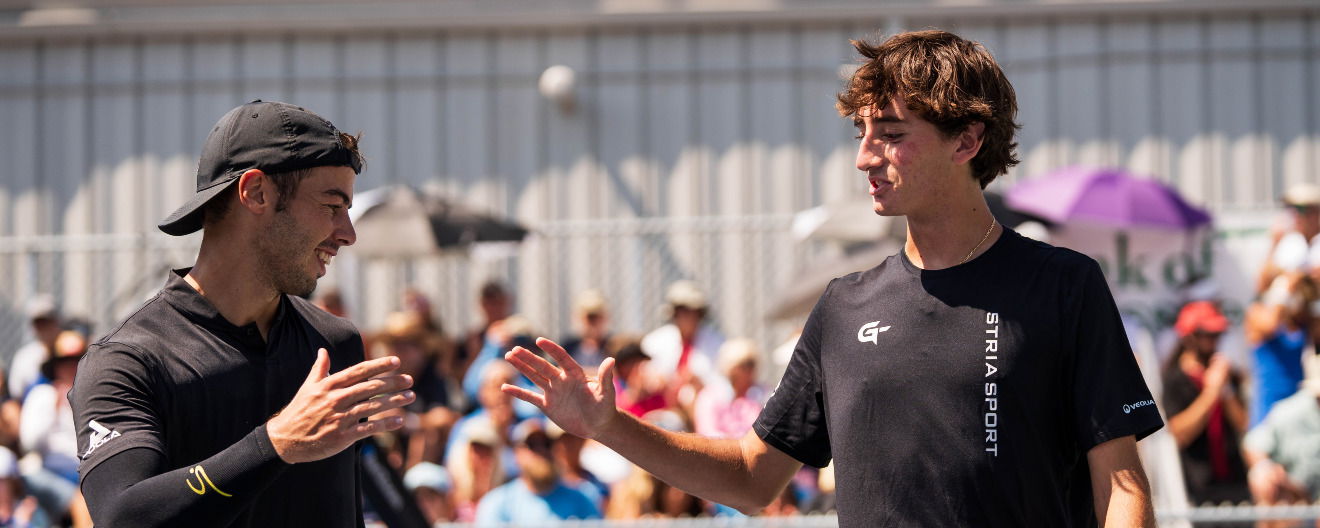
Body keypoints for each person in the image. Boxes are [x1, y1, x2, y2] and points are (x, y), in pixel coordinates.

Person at [500, 30, 1162, 526]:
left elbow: (1123, 486)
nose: (866, 156)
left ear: (966, 141)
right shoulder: (846, 306)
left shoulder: (1063, 286)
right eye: (861, 132)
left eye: (892, 133)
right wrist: (610, 428)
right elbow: (755, 477)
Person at [68, 100, 416, 527]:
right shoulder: (128, 360)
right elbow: (123, 515)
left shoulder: (335, 342)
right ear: (255, 192)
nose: (347, 234)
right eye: (331, 206)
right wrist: (276, 443)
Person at [1161, 301, 1251, 505]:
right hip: (1200, 487)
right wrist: (1211, 392)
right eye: (1208, 335)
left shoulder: (1227, 373)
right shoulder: (1175, 379)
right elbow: (1180, 433)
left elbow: (1242, 423)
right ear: (1190, 336)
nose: (1215, 341)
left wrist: (1225, 390)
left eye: (1218, 334)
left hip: (1236, 483)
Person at [473, 419, 600, 525]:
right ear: (517, 454)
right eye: (532, 444)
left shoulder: (582, 499)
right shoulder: (497, 503)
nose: (541, 451)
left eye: (547, 444)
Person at [1245, 271, 1318, 426]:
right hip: (1268, 405)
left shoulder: (1301, 321)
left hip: (1295, 405)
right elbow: (1271, 325)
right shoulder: (1256, 313)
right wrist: (1284, 289)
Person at [1243, 372, 1320, 517]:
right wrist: (1266, 468)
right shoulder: (1290, 411)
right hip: (1294, 494)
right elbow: (1254, 445)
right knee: (1262, 478)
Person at [693, 338, 766, 439]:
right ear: (730, 368)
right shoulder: (710, 396)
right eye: (743, 365)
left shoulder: (762, 394)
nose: (749, 370)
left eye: (751, 364)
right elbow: (707, 432)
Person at [8, 295, 60, 401]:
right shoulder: (25, 356)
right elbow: (16, 395)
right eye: (39, 323)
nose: (44, 328)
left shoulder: (71, 351)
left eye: (48, 322)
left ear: (57, 322)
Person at [560, 289, 612, 369]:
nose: (593, 322)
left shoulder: (612, 345)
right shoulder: (569, 346)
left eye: (597, 317)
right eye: (590, 318)